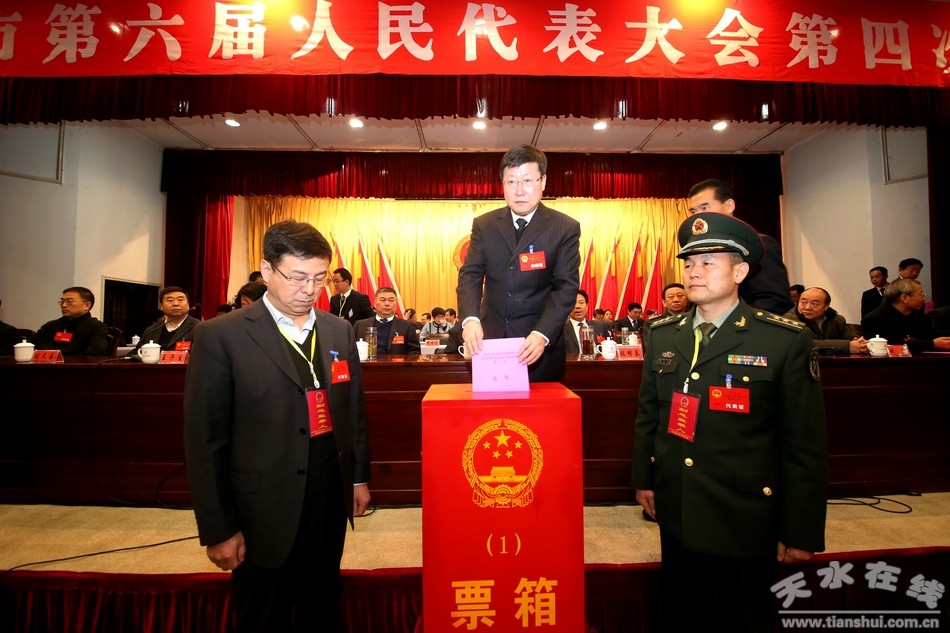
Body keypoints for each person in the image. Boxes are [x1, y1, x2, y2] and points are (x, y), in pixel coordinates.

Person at [632, 212, 827, 633]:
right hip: (678, 505)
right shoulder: (662, 332)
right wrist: (645, 479)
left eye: (708, 262)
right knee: (684, 613)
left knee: (744, 615)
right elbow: (650, 413)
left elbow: (803, 444)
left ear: (740, 272)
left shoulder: (782, 339)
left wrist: (802, 529)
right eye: (689, 263)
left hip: (744, 513)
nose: (693, 272)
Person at [183, 219, 370, 633]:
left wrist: (357, 478)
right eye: (297, 277)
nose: (309, 289)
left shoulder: (338, 329)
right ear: (267, 271)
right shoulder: (221, 336)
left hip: (327, 495)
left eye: (319, 278)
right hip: (260, 505)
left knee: (322, 603)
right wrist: (218, 528)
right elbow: (205, 442)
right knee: (265, 613)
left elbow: (352, 412)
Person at [457, 144, 581, 382]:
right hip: (490, 346)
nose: (519, 191)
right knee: (493, 408)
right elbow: (470, 275)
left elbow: (565, 287)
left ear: (543, 181)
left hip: (539, 348)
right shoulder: (485, 225)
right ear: (502, 184)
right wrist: (470, 319)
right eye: (511, 182)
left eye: (527, 181)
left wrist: (542, 334)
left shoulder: (564, 228)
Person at [688, 178, 794, 314]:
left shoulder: (756, 245)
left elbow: (773, 300)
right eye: (693, 211)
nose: (698, 216)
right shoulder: (696, 250)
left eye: (704, 208)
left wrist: (728, 324)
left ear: (729, 206)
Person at [860, 279, 950, 354]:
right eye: (921, 294)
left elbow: (930, 337)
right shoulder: (873, 319)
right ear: (905, 298)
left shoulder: (920, 317)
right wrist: (931, 344)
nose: (924, 298)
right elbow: (888, 346)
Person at [784, 287, 867, 354]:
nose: (807, 307)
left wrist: (858, 342)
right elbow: (804, 343)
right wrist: (847, 346)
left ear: (826, 306)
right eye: (803, 302)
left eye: (814, 304)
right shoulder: (789, 319)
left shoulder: (836, 319)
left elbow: (848, 336)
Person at [32, 286, 109, 356]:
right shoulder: (50, 326)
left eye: (69, 301)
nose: (63, 305)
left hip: (74, 366)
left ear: (87, 305)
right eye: (62, 301)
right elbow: (30, 345)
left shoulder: (96, 327)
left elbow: (95, 353)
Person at [130, 286, 200, 354]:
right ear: (161, 306)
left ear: (188, 305)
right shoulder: (151, 330)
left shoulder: (199, 328)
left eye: (180, 300)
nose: (176, 304)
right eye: (170, 300)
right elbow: (135, 353)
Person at [354, 287, 421, 354]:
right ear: (375, 303)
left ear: (396, 303)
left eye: (391, 300)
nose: (387, 304)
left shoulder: (407, 326)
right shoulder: (360, 325)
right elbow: (351, 350)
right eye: (383, 300)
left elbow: (415, 352)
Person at [563, 290, 610, 355]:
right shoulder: (561, 329)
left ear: (587, 306)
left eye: (581, 302)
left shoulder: (600, 326)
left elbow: (610, 348)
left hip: (598, 361)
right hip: (573, 361)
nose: (577, 306)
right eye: (573, 303)